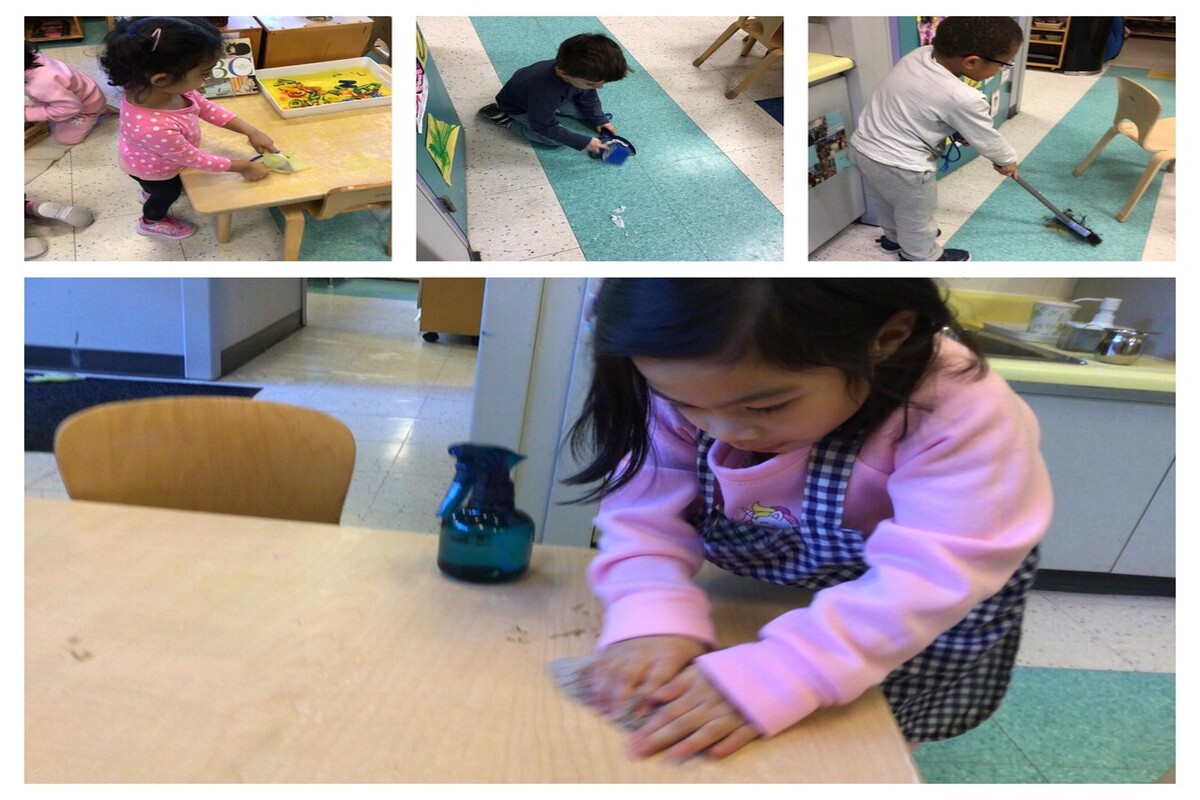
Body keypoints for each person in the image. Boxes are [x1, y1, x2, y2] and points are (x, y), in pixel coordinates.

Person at [564, 279, 1051, 761]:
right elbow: (642, 517)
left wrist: (787, 671)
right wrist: (651, 613)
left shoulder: (961, 407)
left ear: (886, 337)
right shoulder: (689, 372)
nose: (726, 431)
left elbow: (928, 576)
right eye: (686, 405)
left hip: (933, 584)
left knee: (865, 740)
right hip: (793, 577)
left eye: (766, 406)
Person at [850, 17, 1024, 262]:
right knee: (917, 216)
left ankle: (894, 238)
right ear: (972, 62)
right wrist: (1007, 160)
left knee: (888, 201)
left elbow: (922, 104)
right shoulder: (965, 98)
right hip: (904, 166)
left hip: (863, 148)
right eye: (1004, 64)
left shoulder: (919, 55)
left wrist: (955, 129)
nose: (1003, 68)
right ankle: (920, 255)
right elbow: (987, 138)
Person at [98, 17, 278, 240]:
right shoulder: (153, 128)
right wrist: (244, 167)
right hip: (153, 170)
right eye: (203, 73)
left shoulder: (164, 88)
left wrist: (251, 131)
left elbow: (207, 109)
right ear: (162, 79)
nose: (208, 78)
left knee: (161, 187)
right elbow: (195, 160)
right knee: (166, 194)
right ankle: (152, 221)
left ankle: (149, 191)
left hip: (150, 155)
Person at [478, 33, 631, 157]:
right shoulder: (544, 92)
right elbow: (542, 126)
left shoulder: (577, 70)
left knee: (586, 112)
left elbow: (588, 96)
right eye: (592, 84)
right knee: (553, 141)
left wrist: (599, 118)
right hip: (519, 107)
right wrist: (582, 141)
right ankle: (503, 119)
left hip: (553, 99)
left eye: (601, 83)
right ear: (563, 72)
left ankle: (561, 110)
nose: (600, 88)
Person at [25, 42, 110, 145]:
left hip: (86, 107)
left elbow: (71, 108)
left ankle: (95, 114)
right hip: (75, 94)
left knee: (65, 139)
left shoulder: (42, 82)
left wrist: (28, 114)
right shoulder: (32, 58)